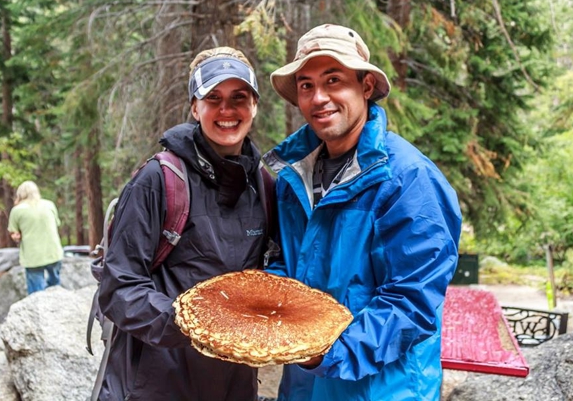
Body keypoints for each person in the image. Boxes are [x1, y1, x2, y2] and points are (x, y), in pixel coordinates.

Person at [263, 24, 463, 400]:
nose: (318, 97)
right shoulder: (294, 177)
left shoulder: (407, 179)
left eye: (333, 80)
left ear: (366, 87)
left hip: (382, 389)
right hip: (304, 386)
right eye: (306, 85)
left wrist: (326, 353)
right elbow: (285, 266)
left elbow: (410, 302)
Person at [96, 47, 271, 401]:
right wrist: (195, 323)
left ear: (254, 105)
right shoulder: (159, 180)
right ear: (195, 107)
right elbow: (118, 288)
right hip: (156, 381)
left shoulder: (265, 188)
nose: (226, 110)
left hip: (234, 382)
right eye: (213, 98)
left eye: (239, 98)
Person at [7, 180, 64, 295]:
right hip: (53, 252)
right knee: (55, 287)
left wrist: (18, 236)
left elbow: (15, 235)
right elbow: (56, 224)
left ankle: (39, 311)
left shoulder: (17, 210)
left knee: (36, 294)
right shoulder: (49, 204)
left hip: (33, 257)